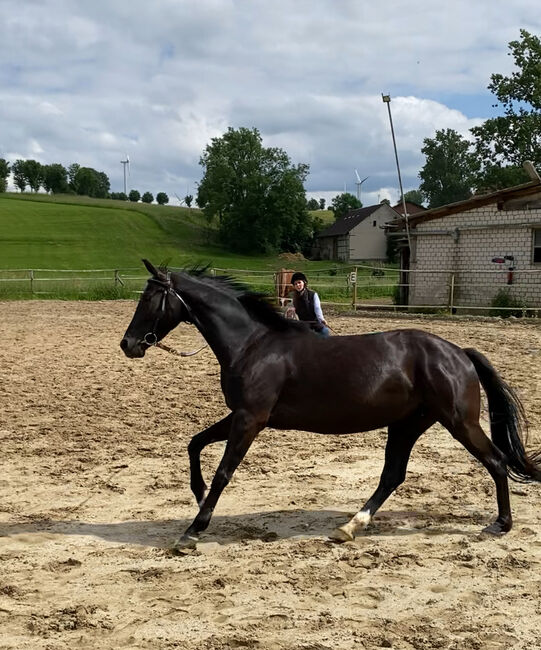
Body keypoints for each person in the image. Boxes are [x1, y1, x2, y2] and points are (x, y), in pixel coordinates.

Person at [287, 271, 330, 336]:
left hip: (315, 322)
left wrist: (321, 319)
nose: (297, 285)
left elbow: (317, 308)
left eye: (299, 282)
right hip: (303, 324)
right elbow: (291, 310)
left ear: (304, 282)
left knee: (325, 331)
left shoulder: (313, 295)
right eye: (295, 284)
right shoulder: (294, 297)